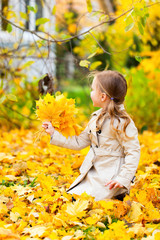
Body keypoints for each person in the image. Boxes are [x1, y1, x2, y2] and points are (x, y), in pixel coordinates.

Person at [42, 70, 140, 201]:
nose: (90, 92)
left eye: (93, 89)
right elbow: (79, 142)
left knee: (90, 200)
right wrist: (54, 133)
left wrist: (123, 179)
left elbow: (133, 152)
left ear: (103, 96)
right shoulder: (96, 118)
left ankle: (118, 193)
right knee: (74, 196)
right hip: (94, 171)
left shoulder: (122, 122)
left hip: (111, 177)